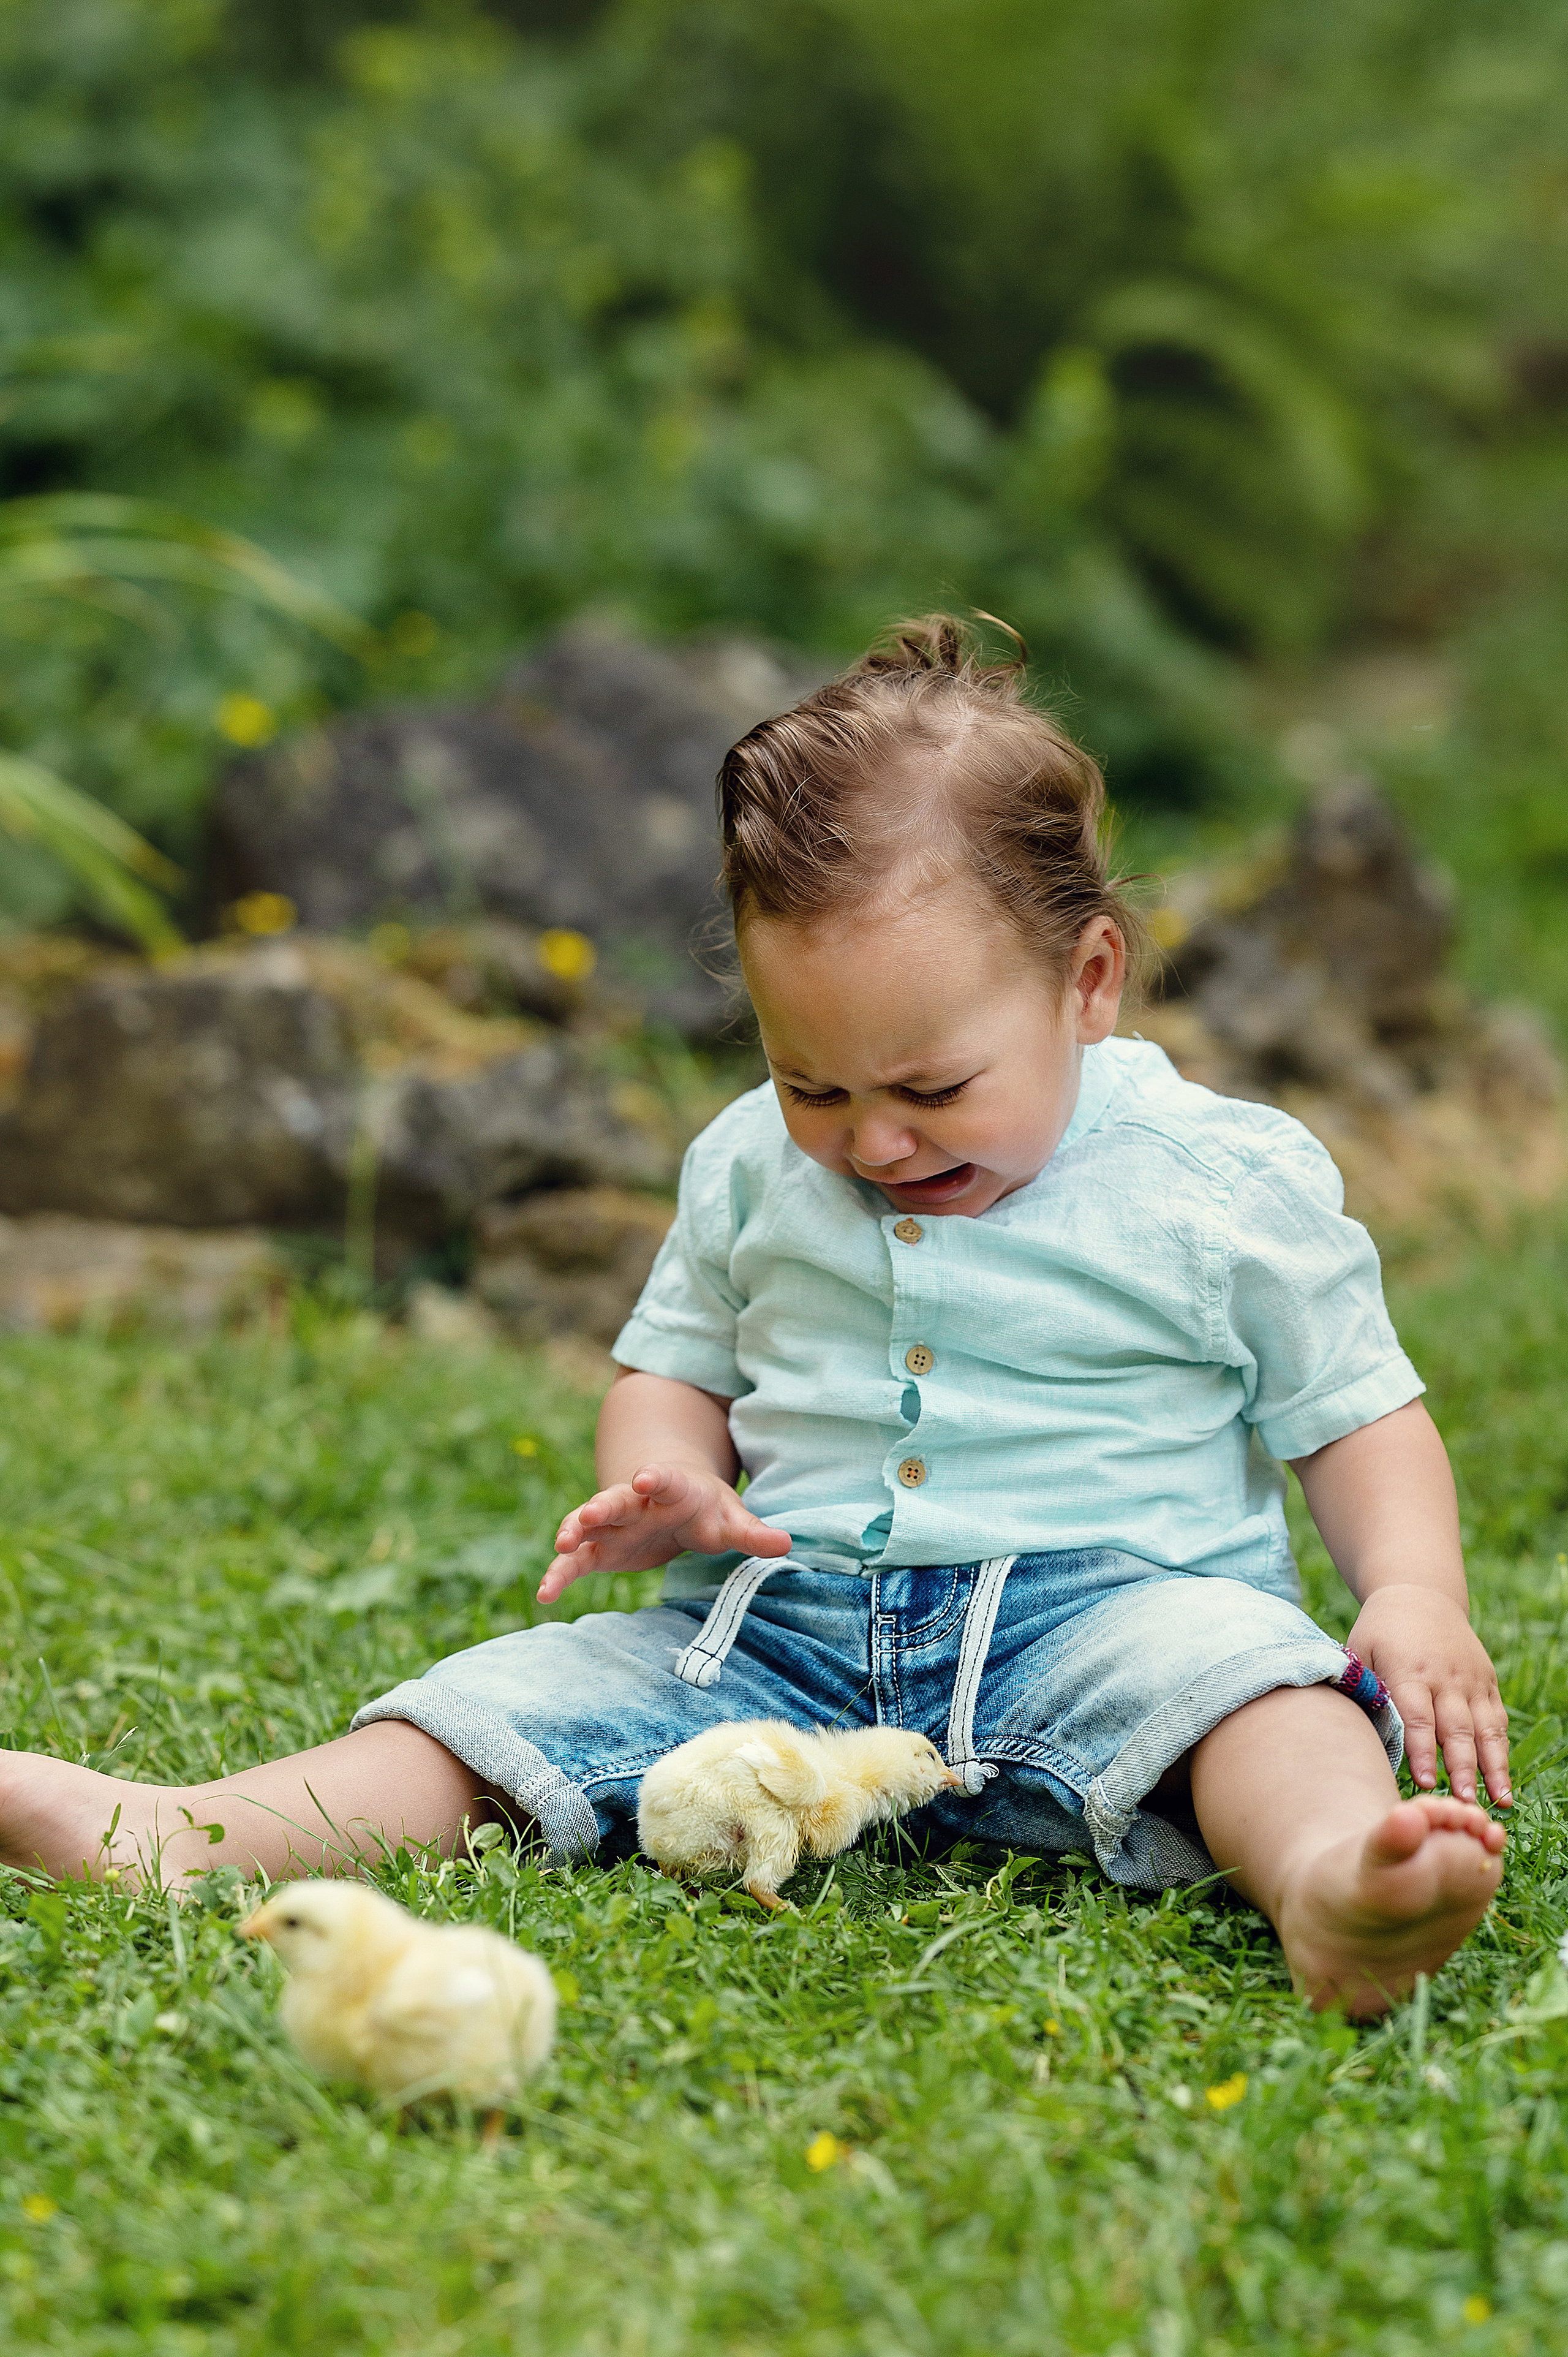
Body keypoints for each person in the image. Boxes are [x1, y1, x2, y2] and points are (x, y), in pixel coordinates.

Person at [0, 617, 1509, 2016]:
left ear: (1088, 979)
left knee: (1262, 1695)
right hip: (778, 1636)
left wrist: (1411, 1594)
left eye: (931, 1089)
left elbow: (1355, 1413)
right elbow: (671, 1366)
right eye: (815, 1085)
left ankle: (1330, 1885)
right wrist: (670, 1476)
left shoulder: (1212, 1179)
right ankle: (188, 1834)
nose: (874, 1143)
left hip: (1115, 1611)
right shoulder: (742, 1164)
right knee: (510, 1706)